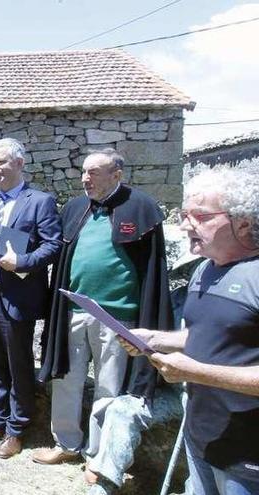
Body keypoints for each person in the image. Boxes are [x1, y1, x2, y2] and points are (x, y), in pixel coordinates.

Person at [33, 149, 173, 471]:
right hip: (73, 308)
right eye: (84, 172)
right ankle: (66, 444)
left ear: (117, 175)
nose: (85, 179)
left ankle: (97, 456)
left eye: (94, 172)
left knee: (109, 386)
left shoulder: (141, 208)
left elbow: (153, 270)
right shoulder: (75, 208)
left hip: (117, 315)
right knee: (66, 379)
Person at [122, 167, 259, 495]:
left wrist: (197, 372)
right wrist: (157, 339)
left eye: (200, 215)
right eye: (184, 215)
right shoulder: (204, 269)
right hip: (202, 438)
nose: (185, 225)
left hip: (248, 455)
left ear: (243, 221)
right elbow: (212, 334)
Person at [0, 139, 62, 458]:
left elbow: (52, 245)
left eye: (2, 162)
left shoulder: (40, 202)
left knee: (18, 365)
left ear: (20, 164)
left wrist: (22, 262)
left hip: (17, 298)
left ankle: (17, 429)